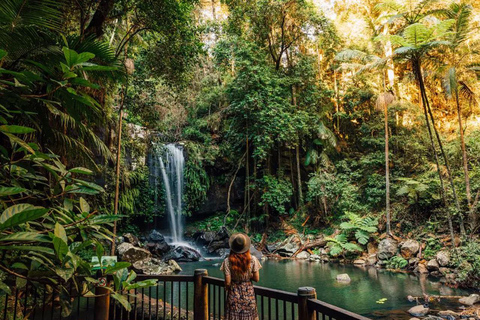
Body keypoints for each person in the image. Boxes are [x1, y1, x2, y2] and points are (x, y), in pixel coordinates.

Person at [220, 233, 262, 320]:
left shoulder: (227, 261)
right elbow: (256, 278)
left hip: (233, 294)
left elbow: (228, 282)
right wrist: (248, 276)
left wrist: (228, 287)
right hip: (249, 295)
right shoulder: (253, 259)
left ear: (233, 247)